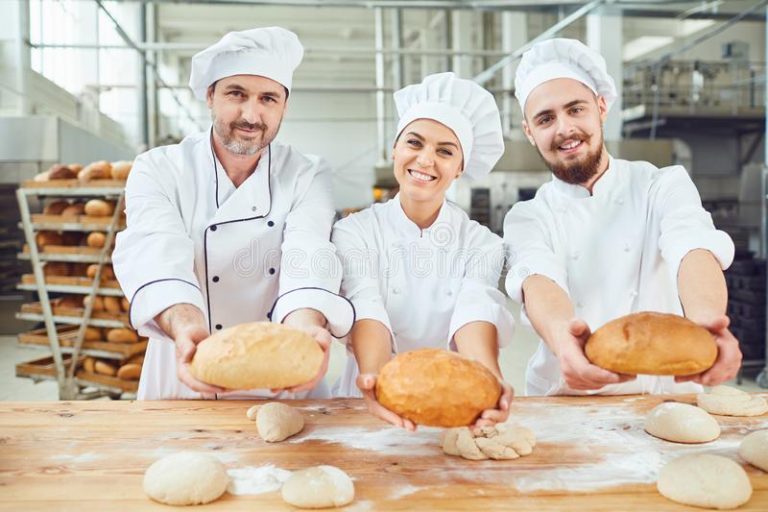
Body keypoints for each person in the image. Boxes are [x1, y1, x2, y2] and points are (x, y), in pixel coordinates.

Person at [113, 27, 353, 400]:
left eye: (268, 99)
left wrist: (307, 327)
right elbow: (156, 253)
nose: (251, 115)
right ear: (210, 96)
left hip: (283, 377)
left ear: (284, 106)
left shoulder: (307, 172)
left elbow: (308, 251)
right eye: (236, 94)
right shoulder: (159, 168)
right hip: (186, 369)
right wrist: (186, 328)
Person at [504, 38, 742, 396]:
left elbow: (692, 247)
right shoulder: (528, 216)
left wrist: (708, 325)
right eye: (546, 118)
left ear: (601, 107)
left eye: (576, 109)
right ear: (530, 133)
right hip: (569, 397)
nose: (564, 129)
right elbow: (538, 279)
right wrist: (562, 339)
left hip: (662, 392)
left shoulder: (661, 184)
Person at [332, 72, 515, 430]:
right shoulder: (354, 231)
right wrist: (377, 379)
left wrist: (490, 379)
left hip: (454, 407)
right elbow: (364, 301)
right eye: (414, 143)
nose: (426, 159)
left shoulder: (483, 243)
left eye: (445, 151)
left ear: (461, 167)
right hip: (364, 405)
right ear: (395, 150)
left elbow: (475, 310)